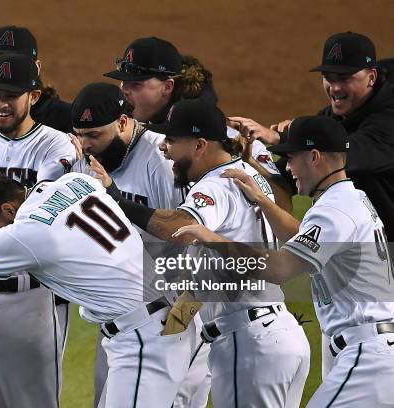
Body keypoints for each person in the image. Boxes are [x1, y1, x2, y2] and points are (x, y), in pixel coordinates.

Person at [0, 172, 194, 408]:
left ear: (8, 210)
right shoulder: (77, 181)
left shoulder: (23, 232)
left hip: (143, 336)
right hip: (170, 314)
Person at [91, 98, 310, 408]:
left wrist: (114, 200)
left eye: (172, 140)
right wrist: (171, 334)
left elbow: (177, 228)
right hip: (278, 335)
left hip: (249, 344)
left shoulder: (215, 186)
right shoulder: (247, 172)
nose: (164, 148)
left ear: (199, 145)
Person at [175, 115, 394, 407]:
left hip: (370, 356)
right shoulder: (352, 198)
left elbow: (280, 268)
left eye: (291, 158)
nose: (288, 168)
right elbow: (301, 239)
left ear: (314, 157)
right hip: (374, 347)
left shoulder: (334, 210)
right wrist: (264, 201)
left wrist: (212, 239)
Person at [69, 82, 209, 408]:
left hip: (174, 319)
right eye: (80, 135)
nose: (86, 146)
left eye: (94, 136)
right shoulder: (86, 162)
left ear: (122, 123)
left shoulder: (162, 160)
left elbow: (196, 243)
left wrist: (180, 324)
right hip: (122, 323)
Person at [0, 53, 76, 408]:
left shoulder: (56, 145)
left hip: (33, 298)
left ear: (34, 96)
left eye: (11, 95)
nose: (0, 103)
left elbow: (36, 215)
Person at [231, 32, 394, 239]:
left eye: (345, 78)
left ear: (371, 77)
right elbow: (288, 175)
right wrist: (247, 162)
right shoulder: (330, 118)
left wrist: (282, 138)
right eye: (328, 77)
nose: (335, 88)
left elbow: (347, 156)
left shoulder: (388, 116)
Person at [105, 37, 287, 213]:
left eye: (136, 84)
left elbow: (285, 208)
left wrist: (251, 165)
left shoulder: (233, 140)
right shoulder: (131, 128)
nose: (124, 90)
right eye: (124, 81)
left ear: (167, 87)